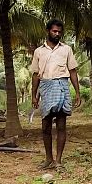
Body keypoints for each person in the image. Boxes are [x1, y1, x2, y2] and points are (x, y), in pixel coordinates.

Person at [30, 19, 81, 170]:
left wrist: (77, 92)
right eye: (54, 31)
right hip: (46, 88)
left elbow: (72, 71)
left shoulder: (66, 49)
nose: (57, 34)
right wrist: (34, 95)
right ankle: (48, 159)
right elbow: (35, 75)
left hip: (61, 87)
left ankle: (58, 161)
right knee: (45, 126)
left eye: (59, 32)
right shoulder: (39, 51)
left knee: (61, 125)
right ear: (48, 31)